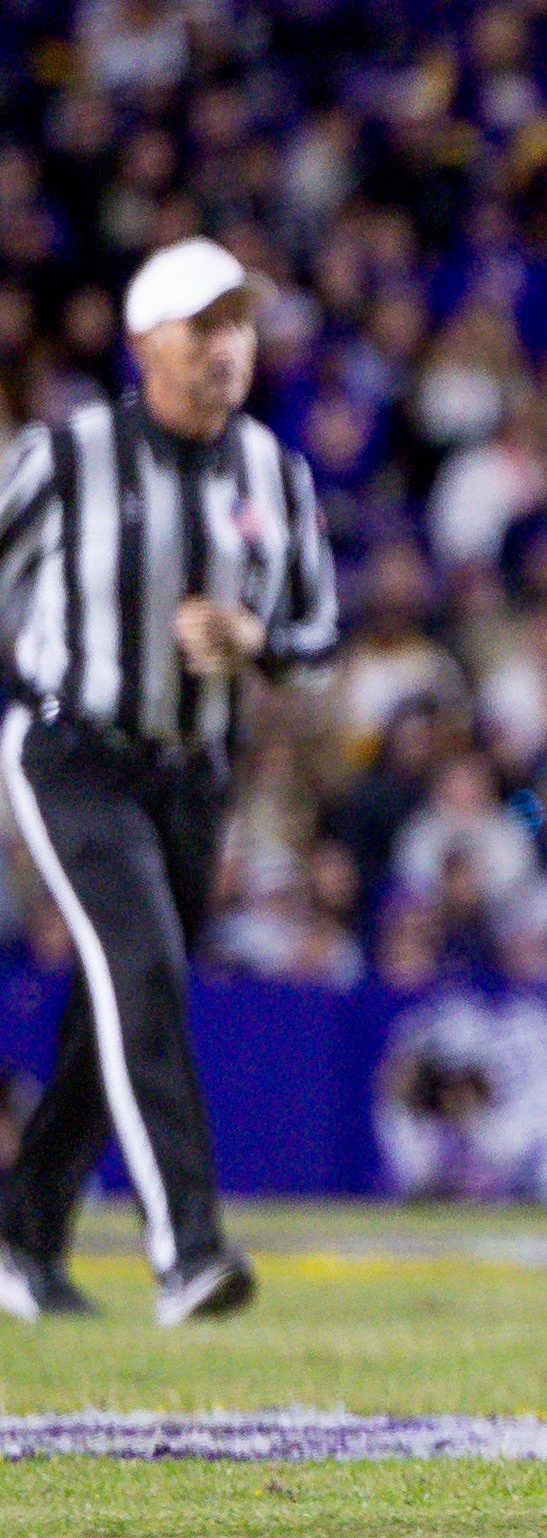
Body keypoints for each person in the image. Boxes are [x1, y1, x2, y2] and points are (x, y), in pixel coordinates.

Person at [0, 239, 339, 1327]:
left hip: (194, 773)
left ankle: (21, 1237)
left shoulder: (274, 473)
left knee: (115, 1013)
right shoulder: (67, 456)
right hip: (72, 749)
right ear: (147, 340)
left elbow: (321, 637)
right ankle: (188, 1250)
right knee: (144, 971)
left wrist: (257, 638)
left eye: (240, 326)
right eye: (204, 327)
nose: (227, 350)